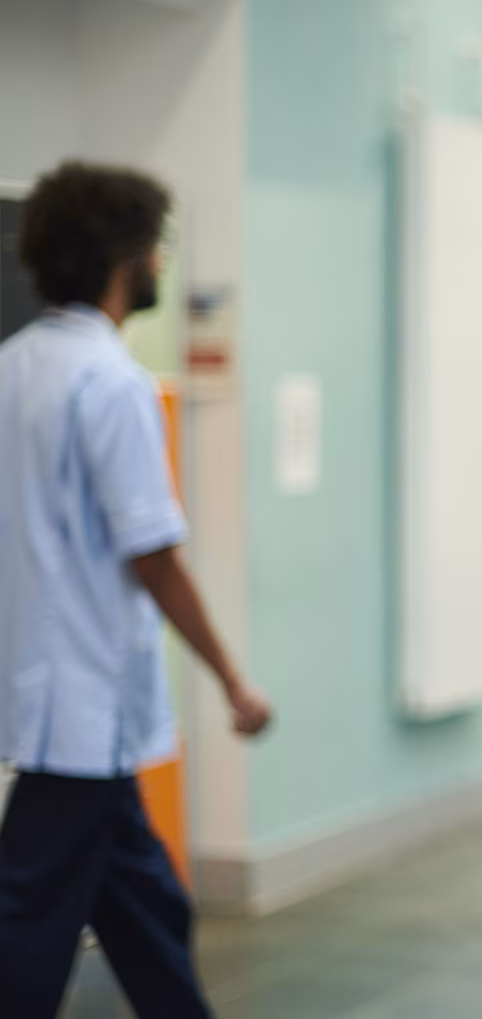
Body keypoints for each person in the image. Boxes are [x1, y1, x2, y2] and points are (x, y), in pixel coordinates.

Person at [0, 161, 273, 1018]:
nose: (161, 262)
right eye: (156, 245)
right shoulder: (111, 384)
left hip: (52, 696)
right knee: (28, 931)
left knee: (147, 906)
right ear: (124, 256)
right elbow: (152, 555)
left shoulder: (12, 368)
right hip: (84, 704)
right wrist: (232, 678)